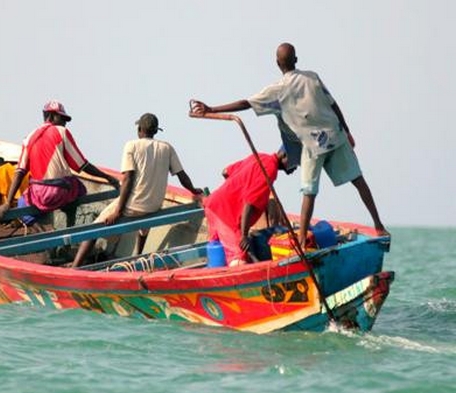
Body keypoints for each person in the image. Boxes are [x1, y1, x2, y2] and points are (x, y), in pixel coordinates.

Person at [191, 42, 389, 248]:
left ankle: (302, 240)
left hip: (312, 145)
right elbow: (333, 104)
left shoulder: (278, 90)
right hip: (335, 135)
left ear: (278, 64)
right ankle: (378, 224)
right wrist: (347, 132)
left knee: (309, 193)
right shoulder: (312, 77)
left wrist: (211, 108)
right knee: (358, 180)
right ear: (296, 60)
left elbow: (246, 103)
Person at [71, 113, 203, 268]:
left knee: (93, 228)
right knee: (144, 223)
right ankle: (139, 257)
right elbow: (182, 175)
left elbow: (127, 179)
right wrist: (194, 190)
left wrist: (118, 212)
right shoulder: (167, 148)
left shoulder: (131, 146)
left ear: (140, 129)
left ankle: (74, 267)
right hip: (154, 206)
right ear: (155, 131)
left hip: (133, 206)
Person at [0, 100, 120, 225]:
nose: (65, 123)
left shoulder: (29, 137)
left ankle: (37, 231)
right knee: (78, 187)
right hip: (60, 193)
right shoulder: (61, 132)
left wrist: (8, 203)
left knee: (22, 203)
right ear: (51, 116)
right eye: (62, 118)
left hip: (39, 195)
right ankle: (70, 227)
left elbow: (20, 171)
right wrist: (108, 178)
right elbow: (82, 165)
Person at [204, 149, 295, 266]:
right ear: (284, 154)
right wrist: (244, 235)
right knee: (239, 261)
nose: (295, 168)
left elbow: (226, 171)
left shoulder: (260, 156)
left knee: (217, 254)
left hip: (213, 205)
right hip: (227, 216)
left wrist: (236, 191)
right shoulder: (270, 169)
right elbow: (249, 203)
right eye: (295, 162)